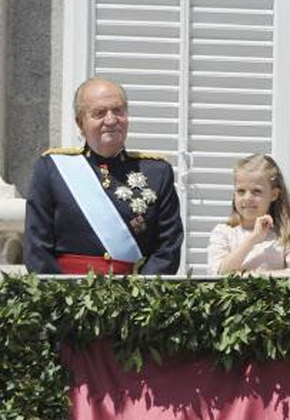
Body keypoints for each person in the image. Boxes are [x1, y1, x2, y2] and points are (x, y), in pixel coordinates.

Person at [23, 77, 183, 274]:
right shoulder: (52, 169)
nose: (111, 120)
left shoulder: (157, 172)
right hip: (69, 296)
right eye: (99, 113)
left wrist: (140, 296)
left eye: (118, 111)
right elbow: (37, 248)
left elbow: (168, 247)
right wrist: (61, 299)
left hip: (134, 297)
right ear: (80, 122)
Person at [206, 154, 290, 276]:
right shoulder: (223, 233)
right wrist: (254, 238)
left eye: (256, 191)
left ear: (274, 194)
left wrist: (259, 277)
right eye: (241, 191)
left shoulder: (285, 234)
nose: (247, 198)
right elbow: (218, 273)